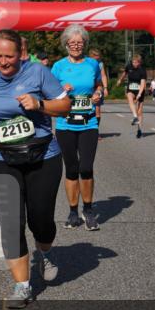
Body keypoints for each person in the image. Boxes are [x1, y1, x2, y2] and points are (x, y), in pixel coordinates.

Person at [0, 29, 71, 309]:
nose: (3, 62)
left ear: (21, 54)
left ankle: (45, 252)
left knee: (41, 221)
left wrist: (40, 104)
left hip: (43, 157)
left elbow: (65, 105)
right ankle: (22, 286)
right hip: (2, 159)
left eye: (9, 56)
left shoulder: (38, 73)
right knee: (11, 223)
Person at [51, 26, 104, 231]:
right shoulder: (58, 66)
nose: (76, 46)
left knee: (86, 167)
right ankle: (73, 212)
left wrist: (98, 93)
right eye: (72, 42)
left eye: (79, 42)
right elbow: (49, 93)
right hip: (65, 124)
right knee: (72, 168)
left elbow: (98, 85)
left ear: (85, 44)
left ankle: (88, 210)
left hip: (88, 123)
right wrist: (60, 90)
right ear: (66, 44)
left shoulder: (92, 64)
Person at [117, 54, 148, 138]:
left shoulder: (142, 70)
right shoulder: (129, 66)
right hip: (130, 88)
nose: (134, 64)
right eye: (133, 62)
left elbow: (143, 83)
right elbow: (124, 73)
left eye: (136, 62)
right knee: (129, 97)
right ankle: (135, 117)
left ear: (139, 62)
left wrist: (139, 94)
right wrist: (120, 80)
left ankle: (139, 129)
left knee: (139, 111)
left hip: (140, 90)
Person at [88, 48, 110, 133]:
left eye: (98, 56)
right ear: (91, 56)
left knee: (97, 110)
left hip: (97, 88)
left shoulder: (100, 64)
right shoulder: (85, 63)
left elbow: (103, 76)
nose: (97, 57)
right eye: (96, 56)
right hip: (87, 88)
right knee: (87, 110)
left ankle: (95, 131)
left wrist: (105, 88)